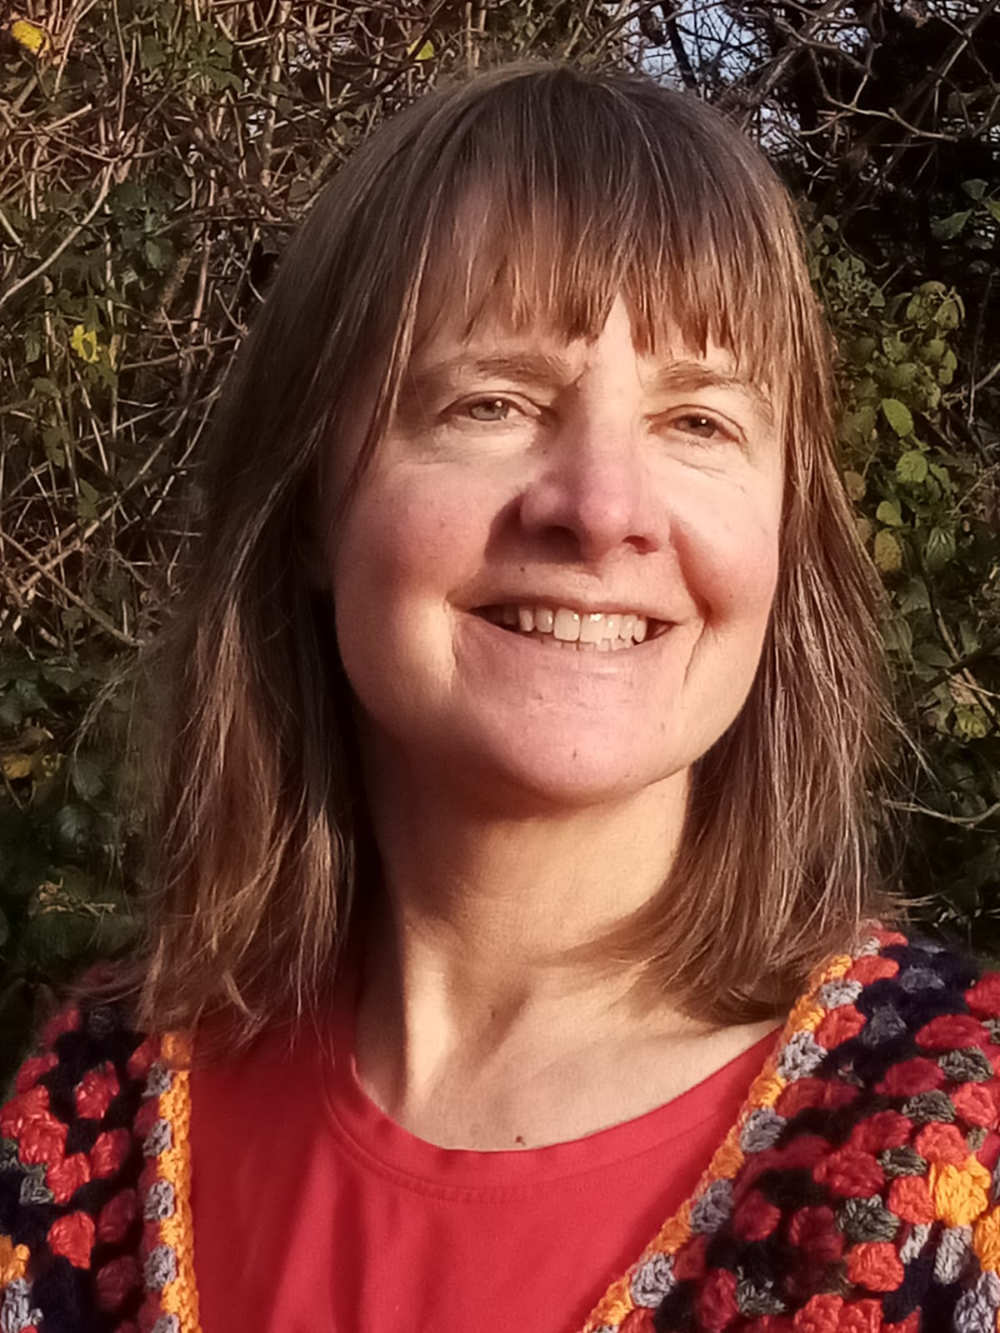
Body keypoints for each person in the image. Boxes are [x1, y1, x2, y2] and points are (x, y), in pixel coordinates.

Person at [1, 59, 999, 1333]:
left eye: (697, 422)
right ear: (310, 506)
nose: (601, 508)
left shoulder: (959, 1154)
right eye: (493, 402)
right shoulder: (93, 1121)